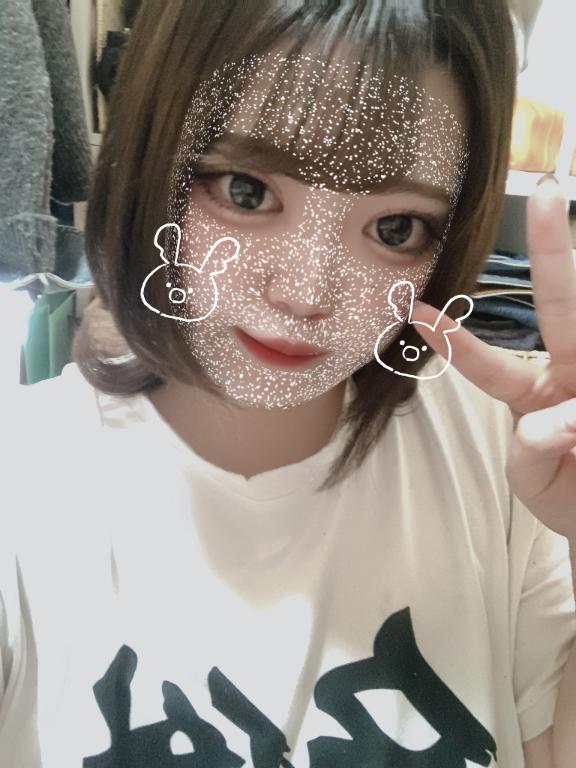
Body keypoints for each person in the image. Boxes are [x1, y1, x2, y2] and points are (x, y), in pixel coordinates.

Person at [1, 1, 575, 766]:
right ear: (151, 156)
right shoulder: (22, 486)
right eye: (246, 191)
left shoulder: (510, 469)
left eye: (396, 228)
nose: (305, 294)